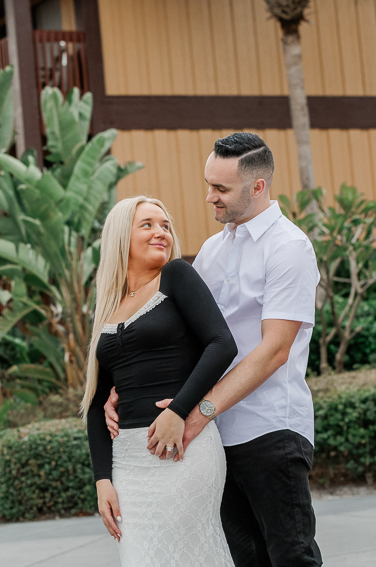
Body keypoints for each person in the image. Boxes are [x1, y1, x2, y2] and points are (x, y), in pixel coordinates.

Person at [105, 133, 323, 566]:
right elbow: (184, 341)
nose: (209, 198)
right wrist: (123, 388)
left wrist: (197, 411)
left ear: (257, 187)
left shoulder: (289, 247)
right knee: (244, 560)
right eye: (208, 184)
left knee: (292, 557)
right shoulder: (210, 252)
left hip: (270, 430)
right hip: (214, 442)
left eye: (221, 189)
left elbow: (274, 350)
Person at [82, 195, 238, 566]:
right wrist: (102, 479)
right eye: (148, 225)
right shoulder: (108, 305)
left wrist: (179, 411)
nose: (161, 233)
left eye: (165, 225)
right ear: (122, 236)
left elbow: (222, 344)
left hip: (183, 447)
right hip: (128, 463)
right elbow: (95, 401)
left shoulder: (177, 277)